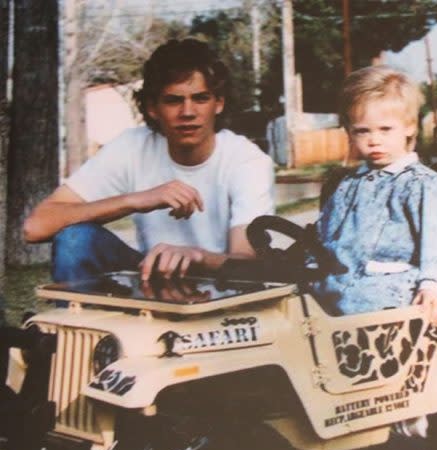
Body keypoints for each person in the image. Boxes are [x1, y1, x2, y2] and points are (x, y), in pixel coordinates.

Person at [23, 38, 274, 282]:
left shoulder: (246, 161)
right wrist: (135, 200)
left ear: (218, 103)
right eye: (173, 100)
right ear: (153, 107)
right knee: (76, 239)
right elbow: (35, 228)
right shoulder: (132, 146)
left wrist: (195, 257)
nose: (188, 112)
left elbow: (247, 264)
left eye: (200, 98)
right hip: (151, 281)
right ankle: (79, 324)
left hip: (223, 290)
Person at [312, 65, 437, 326]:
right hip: (334, 294)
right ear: (349, 132)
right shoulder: (348, 184)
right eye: (362, 131)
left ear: (409, 128)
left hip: (390, 297)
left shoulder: (421, 185)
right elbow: (325, 236)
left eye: (385, 129)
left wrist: (435, 286)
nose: (374, 140)